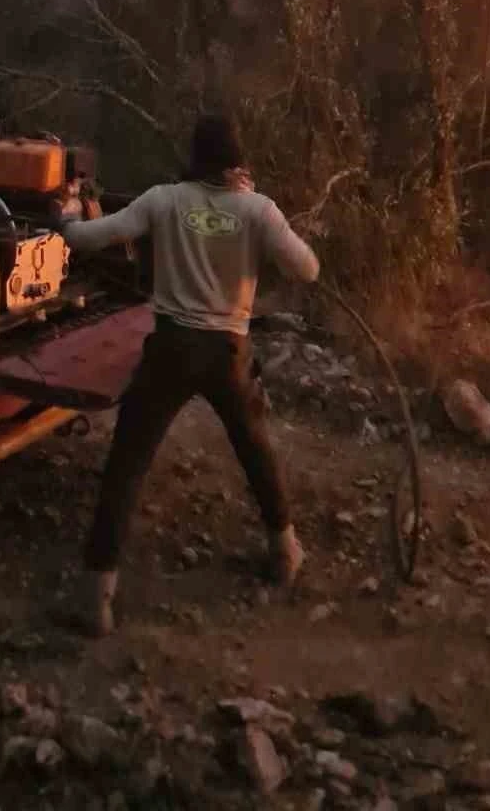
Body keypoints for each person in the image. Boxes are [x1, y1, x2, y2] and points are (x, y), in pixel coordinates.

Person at [57, 113, 319, 635]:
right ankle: (285, 551)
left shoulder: (164, 199)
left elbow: (93, 237)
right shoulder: (257, 209)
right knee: (253, 447)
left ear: (193, 157)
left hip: (171, 349)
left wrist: (64, 219)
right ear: (238, 161)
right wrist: (254, 215)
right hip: (227, 350)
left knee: (128, 463)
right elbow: (307, 269)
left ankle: (96, 597)